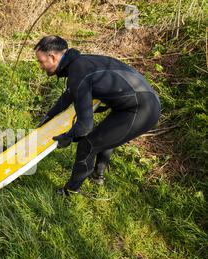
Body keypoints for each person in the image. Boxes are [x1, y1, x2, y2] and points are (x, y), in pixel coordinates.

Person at [35, 35, 161, 195]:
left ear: (52, 57)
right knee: (106, 134)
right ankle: (97, 176)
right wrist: (48, 116)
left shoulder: (77, 72)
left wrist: (67, 137)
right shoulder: (80, 63)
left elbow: (85, 126)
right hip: (143, 100)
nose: (40, 66)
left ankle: (71, 191)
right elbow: (69, 94)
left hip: (142, 109)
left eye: (41, 61)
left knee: (88, 144)